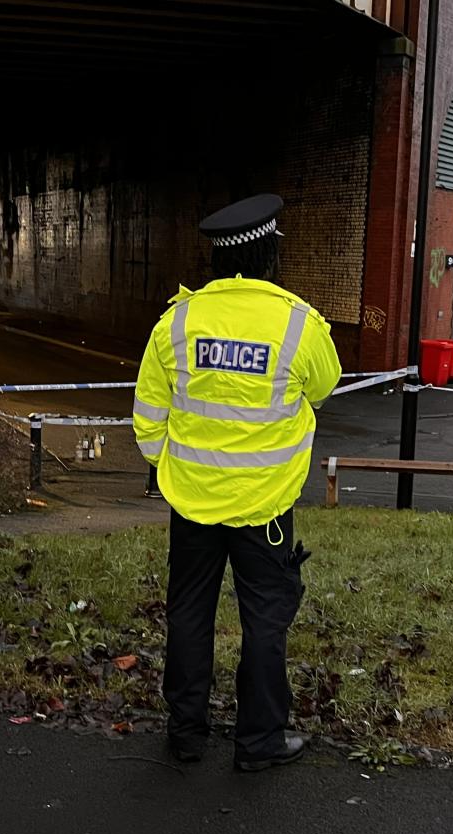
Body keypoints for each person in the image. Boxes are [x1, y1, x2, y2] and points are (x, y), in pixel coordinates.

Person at [132, 193, 342, 771]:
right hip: (267, 509)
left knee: (190, 615)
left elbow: (148, 415)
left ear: (218, 261)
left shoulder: (177, 322)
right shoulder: (299, 324)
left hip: (192, 504)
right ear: (271, 253)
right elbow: (322, 388)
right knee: (265, 622)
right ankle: (259, 743)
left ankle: (186, 735)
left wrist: (169, 467)